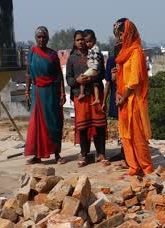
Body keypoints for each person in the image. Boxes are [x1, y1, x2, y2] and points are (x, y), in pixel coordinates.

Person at [113, 18, 153, 176]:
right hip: (123, 99)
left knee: (137, 135)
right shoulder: (123, 53)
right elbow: (120, 77)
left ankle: (147, 168)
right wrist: (117, 93)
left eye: (122, 33)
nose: (120, 37)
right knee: (125, 136)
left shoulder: (136, 52)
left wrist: (124, 97)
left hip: (133, 100)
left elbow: (134, 80)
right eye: (118, 34)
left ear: (129, 33)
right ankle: (133, 166)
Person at [66, 29, 108, 167]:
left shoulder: (96, 54)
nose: (81, 42)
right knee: (83, 127)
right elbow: (69, 79)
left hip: (95, 94)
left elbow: (102, 73)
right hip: (80, 96)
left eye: (82, 39)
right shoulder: (72, 58)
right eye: (77, 40)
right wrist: (78, 80)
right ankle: (84, 154)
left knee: (99, 125)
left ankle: (101, 153)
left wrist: (92, 76)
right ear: (74, 42)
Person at [25, 26, 66, 164]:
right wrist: (27, 90)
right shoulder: (31, 52)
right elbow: (28, 73)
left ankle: (57, 154)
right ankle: (37, 155)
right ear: (35, 38)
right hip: (37, 92)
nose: (41, 39)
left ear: (48, 38)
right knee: (36, 124)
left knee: (53, 123)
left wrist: (62, 93)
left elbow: (59, 75)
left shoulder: (53, 55)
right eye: (39, 37)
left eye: (44, 37)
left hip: (51, 92)